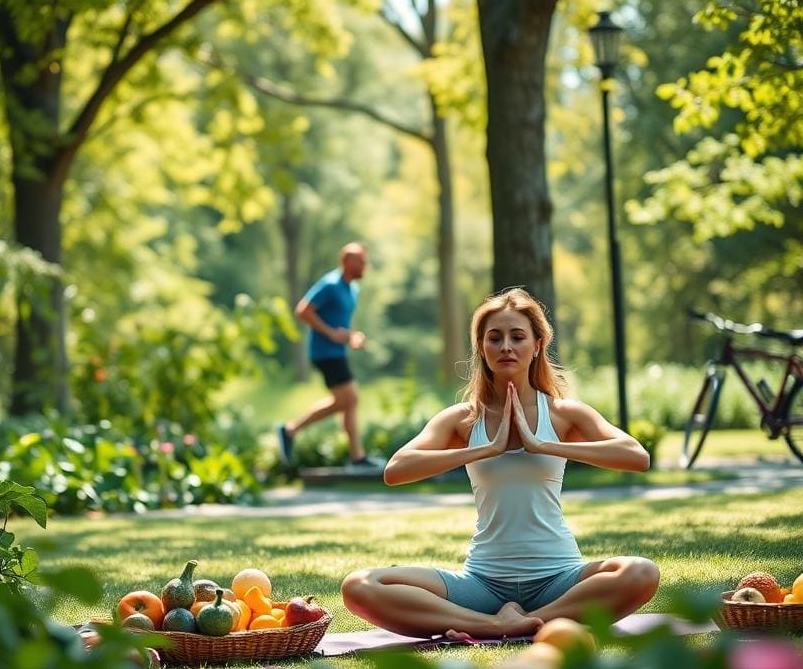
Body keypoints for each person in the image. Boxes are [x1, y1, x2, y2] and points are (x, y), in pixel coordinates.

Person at [341, 288, 660, 638]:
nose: (506, 346)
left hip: (558, 578)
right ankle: (492, 623)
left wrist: (544, 444)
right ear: (482, 347)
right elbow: (396, 470)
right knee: (360, 585)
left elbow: (636, 457)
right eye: (495, 338)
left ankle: (532, 616)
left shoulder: (562, 413)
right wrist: (483, 449)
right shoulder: (462, 419)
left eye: (517, 336)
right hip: (482, 584)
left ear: (537, 345)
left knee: (642, 572)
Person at [277, 242, 381, 469]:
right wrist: (331, 334)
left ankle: (355, 456)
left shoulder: (352, 289)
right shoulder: (331, 284)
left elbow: (339, 322)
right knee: (350, 399)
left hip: (337, 352)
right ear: (346, 262)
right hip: (324, 353)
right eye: (360, 262)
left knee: (347, 402)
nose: (365, 266)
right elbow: (303, 310)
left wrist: (352, 337)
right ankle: (292, 430)